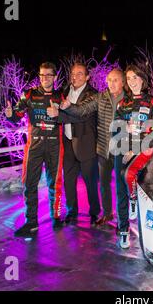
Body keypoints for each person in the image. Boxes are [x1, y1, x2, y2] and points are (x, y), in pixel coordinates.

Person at [52, 69, 127, 227]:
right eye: (109, 80)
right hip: (103, 148)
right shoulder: (101, 97)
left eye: (115, 80)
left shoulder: (129, 99)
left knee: (123, 187)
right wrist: (68, 106)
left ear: (123, 82)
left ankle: (124, 220)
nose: (111, 83)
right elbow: (82, 110)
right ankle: (107, 214)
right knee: (104, 185)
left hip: (123, 149)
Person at [5, 62, 65, 237]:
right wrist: (10, 114)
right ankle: (31, 222)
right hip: (35, 146)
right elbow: (16, 116)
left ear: (54, 77)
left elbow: (70, 116)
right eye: (41, 75)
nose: (44, 78)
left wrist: (61, 112)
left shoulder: (61, 96)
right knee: (29, 183)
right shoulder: (29, 94)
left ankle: (57, 218)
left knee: (55, 183)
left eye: (48, 75)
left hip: (55, 145)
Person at [114, 64, 153, 249]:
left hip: (146, 154)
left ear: (142, 78)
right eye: (129, 78)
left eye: (135, 77)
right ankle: (123, 231)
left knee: (151, 195)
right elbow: (115, 131)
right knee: (121, 192)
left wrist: (137, 148)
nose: (132, 81)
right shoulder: (122, 104)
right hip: (124, 152)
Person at [47, 63, 100, 226]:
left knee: (90, 181)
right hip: (68, 142)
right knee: (69, 181)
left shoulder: (93, 94)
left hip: (86, 143)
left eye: (79, 74)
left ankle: (94, 213)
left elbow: (81, 115)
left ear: (87, 77)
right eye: (72, 73)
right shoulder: (65, 91)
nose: (75, 77)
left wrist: (58, 116)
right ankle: (72, 211)